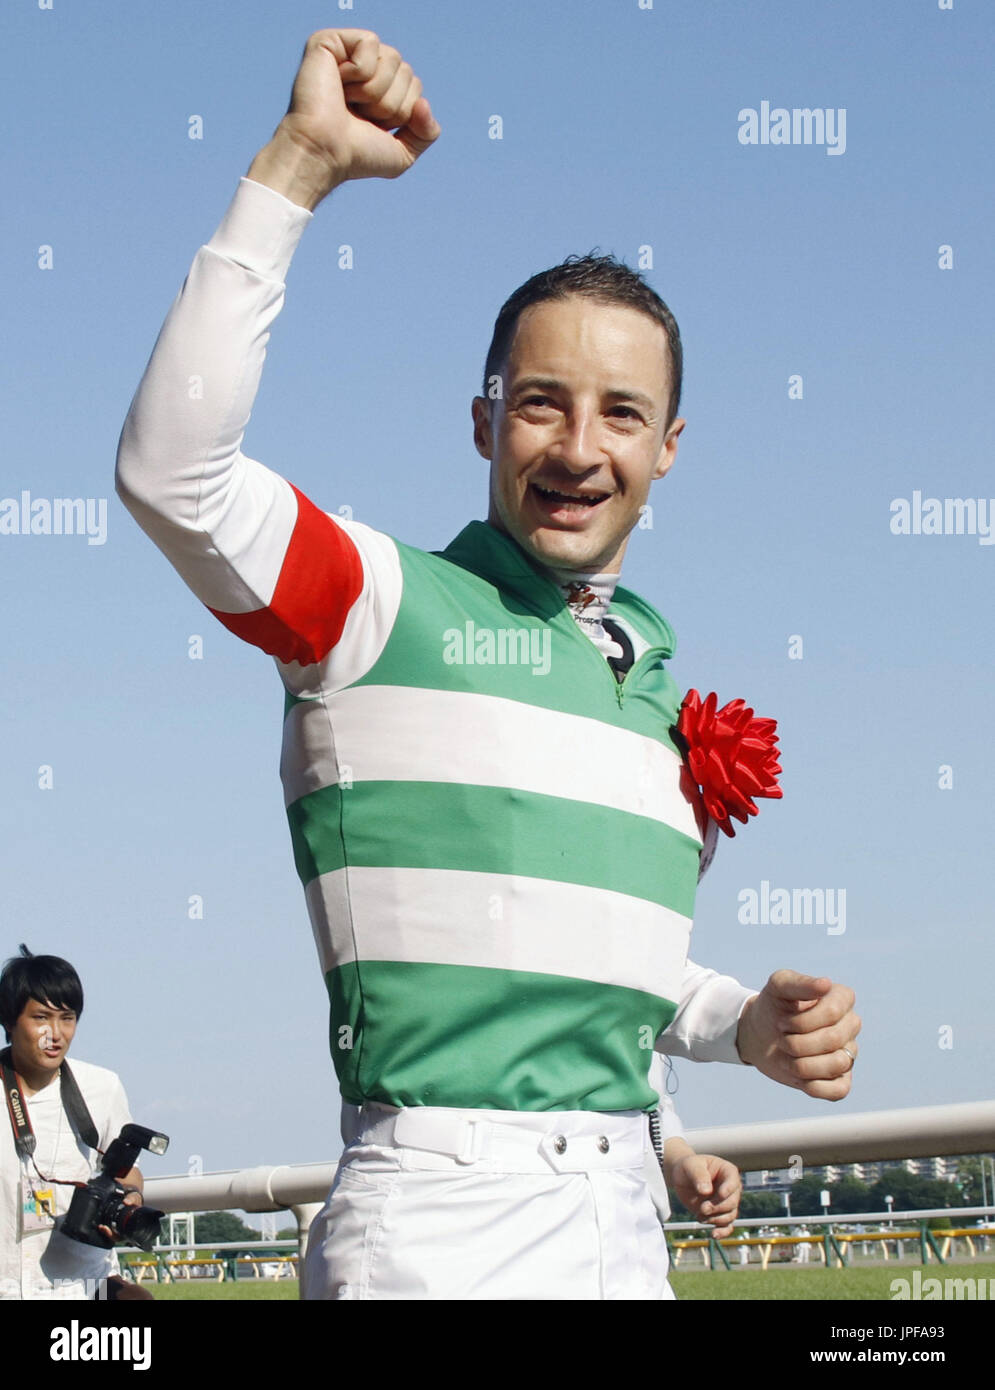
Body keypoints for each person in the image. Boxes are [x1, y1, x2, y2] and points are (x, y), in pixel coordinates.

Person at [116, 29, 860, 1299]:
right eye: (539, 402)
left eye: (619, 413)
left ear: (668, 446)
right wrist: (297, 164)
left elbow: (587, 954)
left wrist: (742, 1025)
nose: (579, 445)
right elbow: (172, 478)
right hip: (438, 1224)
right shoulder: (379, 601)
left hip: (628, 1217)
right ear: (481, 420)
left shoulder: (650, 670)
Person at [0, 947, 150, 1300]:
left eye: (67, 1018)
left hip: (79, 1286)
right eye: (41, 1018)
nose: (56, 1033)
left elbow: (127, 1172)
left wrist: (132, 1198)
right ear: (9, 1021)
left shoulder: (102, 1087)